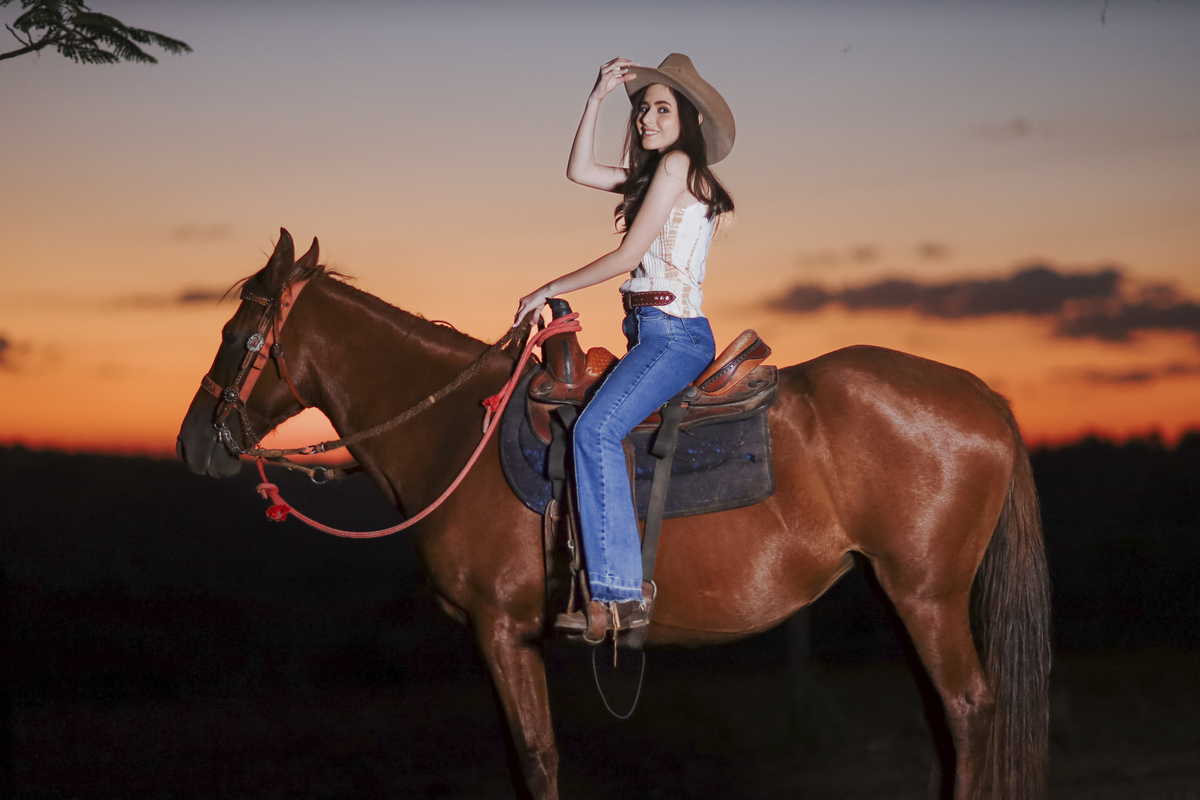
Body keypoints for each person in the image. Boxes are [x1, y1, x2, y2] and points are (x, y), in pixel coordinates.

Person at [514, 53, 735, 644]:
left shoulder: (680, 164)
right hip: (647, 332)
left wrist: (548, 287)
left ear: (687, 119)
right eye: (641, 108)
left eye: (661, 108)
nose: (646, 118)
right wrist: (596, 99)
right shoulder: (655, 175)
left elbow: (625, 258)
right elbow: (579, 170)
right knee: (596, 424)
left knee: (595, 429)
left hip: (674, 335)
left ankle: (618, 591)